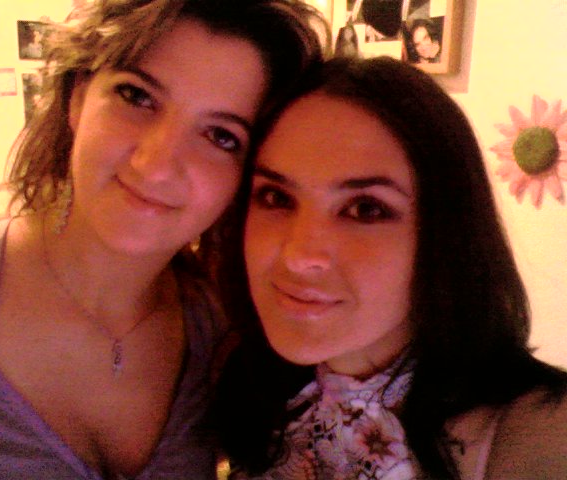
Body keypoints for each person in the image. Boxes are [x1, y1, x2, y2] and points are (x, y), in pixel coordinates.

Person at [0, 0, 325, 479]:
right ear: (77, 98)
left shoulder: (222, 335)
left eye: (221, 136)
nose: (156, 165)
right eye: (136, 96)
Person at [213, 56, 567, 479]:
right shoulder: (239, 381)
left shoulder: (538, 432)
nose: (298, 255)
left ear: (445, 234)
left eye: (365, 209)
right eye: (276, 198)